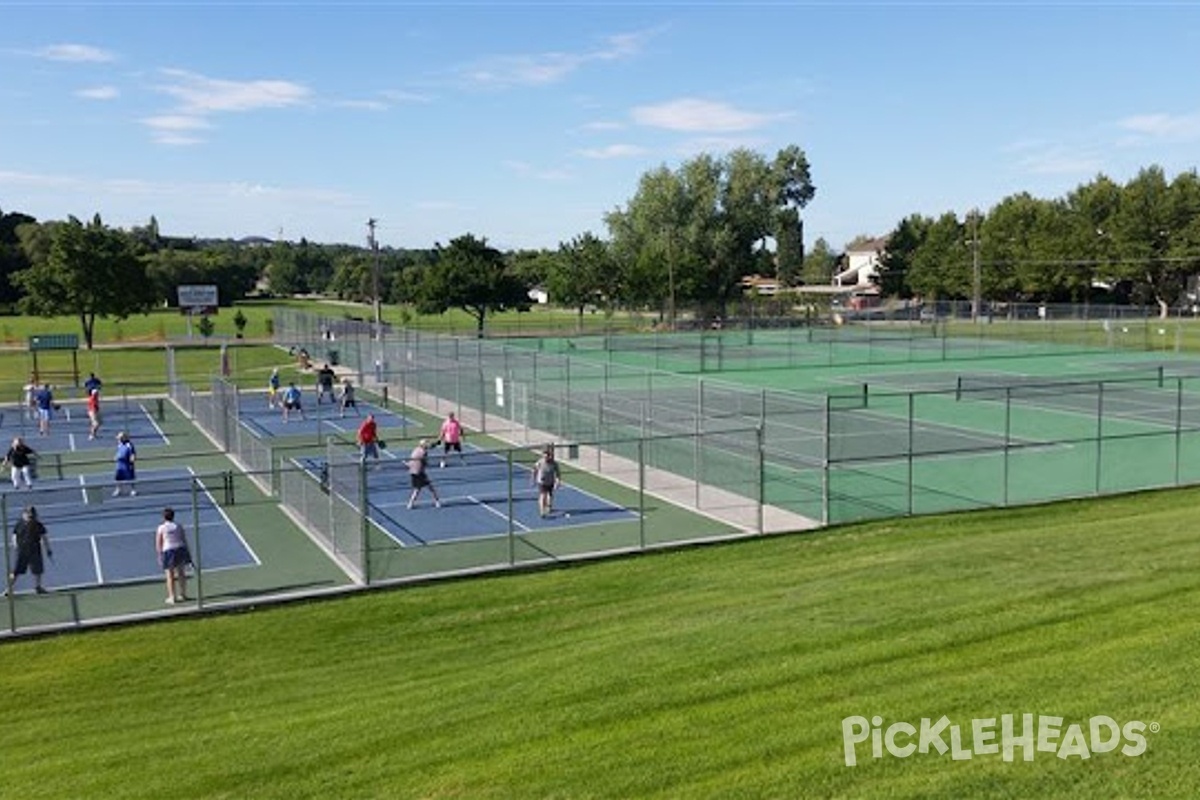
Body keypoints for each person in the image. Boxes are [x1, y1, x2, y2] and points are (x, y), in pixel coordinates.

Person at [6, 506, 51, 596]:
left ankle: (38, 587)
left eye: (32, 515)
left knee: (38, 571)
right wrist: (15, 545)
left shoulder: (38, 525)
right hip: (22, 552)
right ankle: (9, 589)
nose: (30, 517)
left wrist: (48, 549)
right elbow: (14, 535)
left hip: (34, 551)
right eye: (29, 515)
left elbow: (44, 537)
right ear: (24, 514)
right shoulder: (19, 524)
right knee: (15, 571)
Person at [155, 507, 193, 605]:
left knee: (169, 575)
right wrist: (188, 553)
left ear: (164, 517)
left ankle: (172, 597)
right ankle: (183, 594)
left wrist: (159, 555)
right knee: (181, 573)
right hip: (180, 549)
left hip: (168, 551)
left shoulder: (161, 528)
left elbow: (159, 543)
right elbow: (184, 539)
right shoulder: (179, 526)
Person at [406, 439, 441, 510]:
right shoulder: (423, 452)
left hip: (412, 471)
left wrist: (436, 444)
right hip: (419, 472)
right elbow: (425, 462)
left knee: (417, 489)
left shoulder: (416, 449)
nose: (427, 445)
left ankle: (410, 504)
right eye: (426, 444)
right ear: (423, 445)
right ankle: (437, 501)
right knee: (430, 488)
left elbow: (429, 447)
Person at [533, 445, 562, 518]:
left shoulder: (554, 463)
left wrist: (558, 481)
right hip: (542, 481)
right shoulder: (540, 462)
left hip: (550, 481)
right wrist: (533, 479)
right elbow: (534, 470)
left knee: (550, 495)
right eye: (545, 455)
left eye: (548, 455)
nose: (546, 456)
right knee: (543, 495)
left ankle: (549, 507)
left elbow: (558, 473)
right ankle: (542, 511)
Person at [113, 431, 137, 497]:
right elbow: (119, 451)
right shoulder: (119, 444)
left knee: (130, 477)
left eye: (120, 438)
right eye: (119, 438)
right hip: (119, 464)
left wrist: (132, 459)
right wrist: (116, 456)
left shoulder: (129, 444)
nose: (119, 439)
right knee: (118, 478)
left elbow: (133, 453)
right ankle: (118, 490)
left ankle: (133, 490)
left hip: (127, 464)